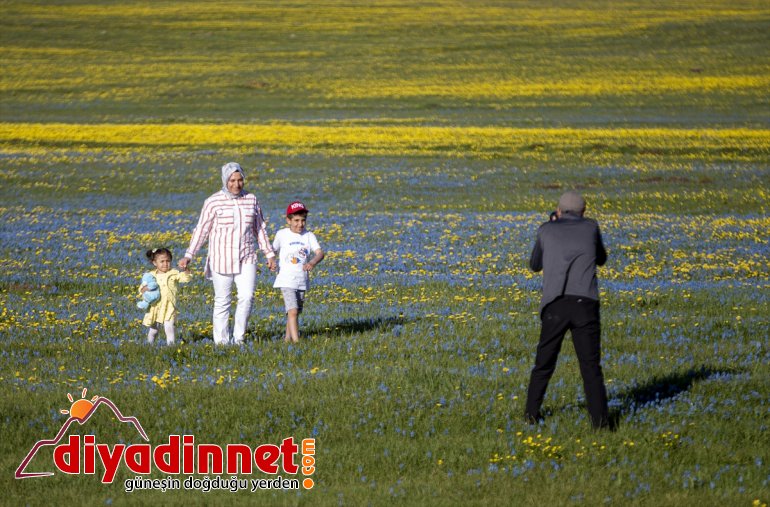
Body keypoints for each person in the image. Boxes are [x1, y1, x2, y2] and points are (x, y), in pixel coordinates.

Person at [524, 191, 610, 429]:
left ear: (558, 211)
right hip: (586, 304)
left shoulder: (546, 229)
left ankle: (531, 415)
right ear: (584, 211)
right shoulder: (591, 227)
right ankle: (601, 424)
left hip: (555, 304)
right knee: (591, 367)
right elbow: (601, 259)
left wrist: (552, 226)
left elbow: (534, 265)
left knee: (543, 364)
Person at [178, 162, 277, 345]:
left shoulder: (251, 199)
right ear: (225, 180)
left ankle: (238, 338)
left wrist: (269, 254)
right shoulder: (213, 201)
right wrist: (189, 255)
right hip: (221, 258)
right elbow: (202, 230)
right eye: (232, 180)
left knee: (247, 297)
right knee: (223, 301)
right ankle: (222, 342)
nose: (237, 184)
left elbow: (260, 229)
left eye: (240, 180)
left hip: (246, 256)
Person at [272, 201, 324, 343]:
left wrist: (312, 262)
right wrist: (271, 260)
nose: (300, 224)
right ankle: (297, 342)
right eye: (296, 220)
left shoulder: (309, 236)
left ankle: (287, 339)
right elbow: (272, 251)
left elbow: (320, 253)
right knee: (293, 310)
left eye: (303, 220)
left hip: (301, 279)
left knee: (295, 312)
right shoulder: (282, 234)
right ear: (288, 220)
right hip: (286, 279)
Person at [139, 248, 191, 345]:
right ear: (155, 263)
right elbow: (142, 288)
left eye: (168, 261)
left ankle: (171, 348)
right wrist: (144, 289)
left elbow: (185, 278)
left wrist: (186, 270)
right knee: (154, 330)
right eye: (162, 261)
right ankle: (149, 346)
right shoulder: (151, 275)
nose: (165, 264)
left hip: (169, 306)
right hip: (155, 307)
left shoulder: (173, 273)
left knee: (169, 327)